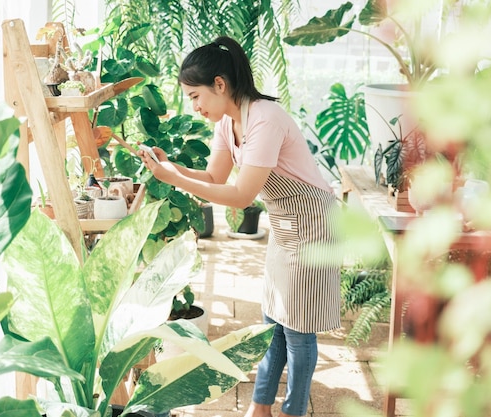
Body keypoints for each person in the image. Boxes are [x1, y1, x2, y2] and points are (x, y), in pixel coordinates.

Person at [138, 36, 341, 417]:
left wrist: (173, 179)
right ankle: (260, 406)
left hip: (314, 223)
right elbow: (215, 176)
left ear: (220, 84)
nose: (194, 107)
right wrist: (170, 168)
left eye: (195, 96)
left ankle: (291, 411)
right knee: (274, 321)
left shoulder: (265, 118)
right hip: (285, 220)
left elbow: (241, 196)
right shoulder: (228, 122)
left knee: (297, 330)